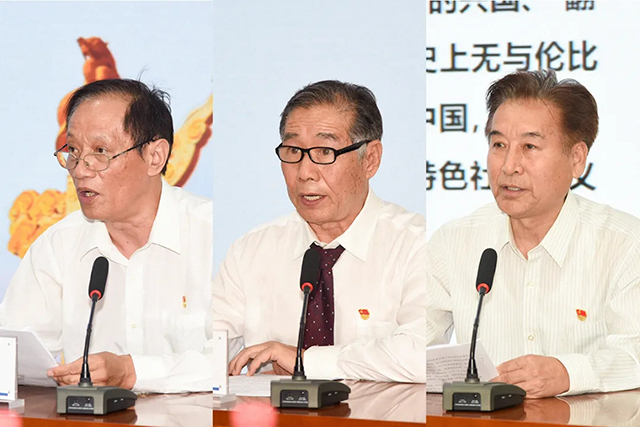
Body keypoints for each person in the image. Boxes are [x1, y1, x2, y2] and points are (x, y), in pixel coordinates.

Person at [426, 69, 640, 398]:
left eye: (529, 146)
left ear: (577, 158)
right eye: (499, 144)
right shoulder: (452, 242)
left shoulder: (624, 244)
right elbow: (415, 348)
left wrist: (568, 372)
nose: (509, 165)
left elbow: (634, 354)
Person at [0, 79, 214, 393]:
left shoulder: (211, 234)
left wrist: (132, 372)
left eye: (100, 152)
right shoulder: (58, 245)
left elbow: (235, 361)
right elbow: (12, 356)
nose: (79, 170)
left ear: (155, 156)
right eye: (73, 151)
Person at [211, 80, 426, 382]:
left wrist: (304, 361)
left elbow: (421, 354)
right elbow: (209, 348)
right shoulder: (250, 252)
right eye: (293, 151)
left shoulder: (416, 244)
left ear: (371, 159)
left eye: (325, 151)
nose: (304, 172)